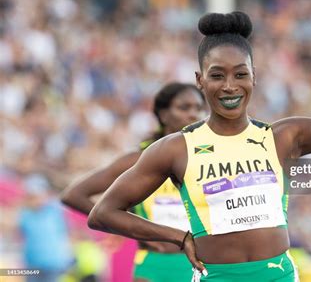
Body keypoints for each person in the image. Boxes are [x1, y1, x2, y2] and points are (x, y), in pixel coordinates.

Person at [88, 0, 311, 281]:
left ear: (254, 77)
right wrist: (178, 238)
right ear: (200, 80)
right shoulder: (176, 149)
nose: (230, 86)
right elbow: (104, 212)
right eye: (217, 75)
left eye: (241, 74)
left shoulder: (282, 137)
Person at [61, 82, 205, 282]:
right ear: (163, 115)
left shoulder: (206, 159)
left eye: (199, 108)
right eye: (184, 107)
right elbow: (73, 195)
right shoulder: (138, 161)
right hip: (154, 264)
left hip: (200, 263)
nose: (194, 115)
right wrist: (121, 225)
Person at [19, 174, 75, 282]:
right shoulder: (24, 215)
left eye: (38, 195)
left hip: (54, 263)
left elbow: (68, 232)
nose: (36, 200)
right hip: (32, 264)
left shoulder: (55, 210)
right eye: (31, 197)